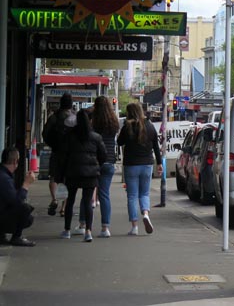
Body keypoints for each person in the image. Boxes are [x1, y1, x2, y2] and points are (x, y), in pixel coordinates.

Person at [61, 110, 106, 242]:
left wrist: (62, 172)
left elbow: (64, 156)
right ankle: (88, 231)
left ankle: (67, 230)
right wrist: (96, 164)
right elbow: (103, 155)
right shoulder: (96, 137)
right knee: (87, 202)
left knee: (70, 201)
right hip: (90, 174)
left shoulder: (70, 136)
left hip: (73, 172)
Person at [117, 102, 162, 236]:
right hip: (147, 164)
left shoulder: (127, 127)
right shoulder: (149, 125)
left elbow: (119, 142)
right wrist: (159, 163)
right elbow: (156, 146)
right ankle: (146, 214)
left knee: (132, 196)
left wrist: (123, 128)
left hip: (131, 165)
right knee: (144, 194)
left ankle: (134, 227)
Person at [42, 93, 76, 216]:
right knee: (67, 180)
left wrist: (52, 144)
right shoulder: (74, 117)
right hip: (70, 153)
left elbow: (45, 133)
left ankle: (54, 199)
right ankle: (63, 207)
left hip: (56, 151)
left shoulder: (54, 117)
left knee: (53, 177)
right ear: (71, 104)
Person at [92, 95, 120, 238]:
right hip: (109, 161)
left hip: (94, 161)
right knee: (104, 194)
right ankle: (105, 228)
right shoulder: (114, 122)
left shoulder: (94, 123)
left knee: (88, 192)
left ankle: (84, 225)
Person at [0, 147, 36, 246]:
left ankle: (1, 236)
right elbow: (17, 202)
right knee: (25, 210)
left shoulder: (3, 174)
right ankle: (17, 237)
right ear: (15, 161)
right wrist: (26, 184)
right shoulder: (4, 178)